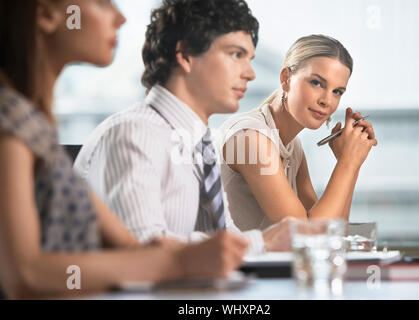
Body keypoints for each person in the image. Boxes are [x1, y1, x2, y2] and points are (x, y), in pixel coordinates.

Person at [0, 0, 248, 299]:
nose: (120, 17)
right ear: (46, 14)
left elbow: (136, 248)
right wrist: (174, 262)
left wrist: (173, 256)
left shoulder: (36, 128)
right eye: (103, 3)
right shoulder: (9, 118)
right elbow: (26, 275)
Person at [74, 0, 293, 254]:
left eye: (250, 58)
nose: (251, 73)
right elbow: (141, 251)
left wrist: (275, 242)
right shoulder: (135, 133)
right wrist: (263, 242)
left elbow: (223, 236)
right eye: (236, 55)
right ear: (186, 56)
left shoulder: (199, 141)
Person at [215, 35, 378, 231]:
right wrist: (347, 163)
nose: (327, 100)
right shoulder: (251, 137)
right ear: (286, 78)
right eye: (317, 83)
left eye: (337, 92)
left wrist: (352, 161)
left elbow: (333, 231)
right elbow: (306, 236)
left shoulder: (293, 147)